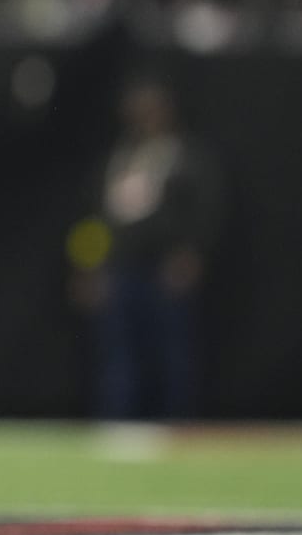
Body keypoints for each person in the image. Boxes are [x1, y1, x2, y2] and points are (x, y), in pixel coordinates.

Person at [76, 77, 223, 419]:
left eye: (151, 108)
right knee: (118, 356)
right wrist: (89, 266)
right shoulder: (118, 159)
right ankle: (118, 428)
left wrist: (192, 255)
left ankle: (177, 425)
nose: (143, 117)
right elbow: (95, 218)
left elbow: (207, 211)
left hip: (164, 271)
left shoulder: (187, 157)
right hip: (120, 271)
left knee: (172, 356)